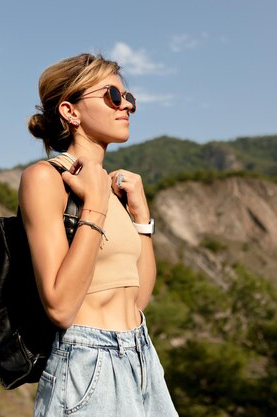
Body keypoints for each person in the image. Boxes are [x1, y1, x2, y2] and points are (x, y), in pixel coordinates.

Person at [21, 53, 179, 417]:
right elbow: (60, 307)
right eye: (112, 95)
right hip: (88, 363)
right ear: (70, 111)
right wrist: (94, 204)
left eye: (129, 98)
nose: (127, 106)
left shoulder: (114, 188)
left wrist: (142, 220)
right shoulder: (47, 179)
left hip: (142, 355)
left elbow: (136, 299)